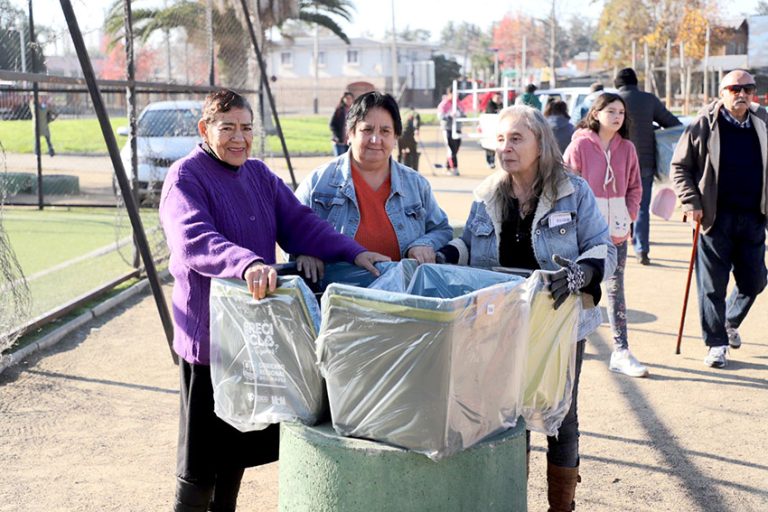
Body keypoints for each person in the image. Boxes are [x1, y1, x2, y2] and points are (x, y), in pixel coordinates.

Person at [159, 89, 389, 512]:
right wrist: (246, 264)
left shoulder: (259, 174)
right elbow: (193, 239)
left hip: (250, 335)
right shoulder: (185, 176)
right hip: (208, 341)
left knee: (234, 449)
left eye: (246, 128)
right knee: (199, 460)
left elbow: (301, 224)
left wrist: (352, 251)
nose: (238, 138)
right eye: (227, 128)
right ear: (205, 130)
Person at [437, 105, 616, 511]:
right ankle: (510, 499)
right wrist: (443, 254)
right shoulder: (486, 194)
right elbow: (468, 245)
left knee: (559, 413)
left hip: (558, 321)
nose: (506, 147)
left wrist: (579, 275)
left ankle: (560, 506)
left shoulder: (573, 191)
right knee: (504, 413)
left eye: (516, 138)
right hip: (499, 321)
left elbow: (602, 247)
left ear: (540, 144)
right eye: (500, 139)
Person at [294, 91, 452, 280]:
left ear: (395, 138)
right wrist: (303, 252)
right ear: (350, 133)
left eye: (385, 131)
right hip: (338, 300)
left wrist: (424, 244)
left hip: (403, 299)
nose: (376, 140)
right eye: (367, 130)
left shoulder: (416, 185)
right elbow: (291, 229)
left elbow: (442, 229)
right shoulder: (318, 184)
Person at [671, 69, 768, 369]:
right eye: (735, 88)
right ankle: (716, 344)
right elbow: (680, 167)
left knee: (755, 280)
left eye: (748, 89)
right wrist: (691, 202)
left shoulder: (762, 122)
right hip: (714, 217)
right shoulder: (703, 124)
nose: (742, 94)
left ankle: (729, 321)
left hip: (753, 216)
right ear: (722, 92)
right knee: (712, 285)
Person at [564, 92, 648, 378]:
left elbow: (635, 185)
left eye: (621, 112)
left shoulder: (628, 148)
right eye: (611, 110)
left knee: (615, 289)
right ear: (596, 113)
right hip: (583, 234)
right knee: (578, 288)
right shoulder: (579, 146)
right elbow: (567, 185)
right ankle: (569, 344)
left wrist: (630, 213)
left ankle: (621, 350)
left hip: (617, 232)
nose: (616, 116)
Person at [615, 67, 681, 265]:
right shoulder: (649, 99)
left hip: (616, 162)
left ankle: (619, 246)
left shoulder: (612, 101)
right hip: (644, 162)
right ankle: (642, 249)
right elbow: (673, 123)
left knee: (617, 204)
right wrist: (651, 128)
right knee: (641, 206)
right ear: (636, 82)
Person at [437, 88, 463, 175]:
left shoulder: (458, 103)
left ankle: (448, 166)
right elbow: (440, 116)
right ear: (449, 94)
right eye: (454, 94)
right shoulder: (444, 104)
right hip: (448, 129)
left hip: (458, 129)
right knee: (451, 149)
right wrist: (449, 115)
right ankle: (454, 168)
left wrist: (460, 113)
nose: (457, 96)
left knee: (456, 148)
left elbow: (464, 112)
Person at [329, 91, 354, 156]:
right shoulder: (339, 110)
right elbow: (332, 125)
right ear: (343, 99)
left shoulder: (355, 111)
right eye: (346, 98)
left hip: (350, 142)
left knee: (349, 161)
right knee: (339, 161)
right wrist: (337, 136)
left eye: (350, 98)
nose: (348, 100)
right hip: (339, 142)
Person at [397, 105, 421, 171]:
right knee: (414, 153)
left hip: (399, 135)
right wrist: (416, 129)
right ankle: (415, 170)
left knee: (399, 154)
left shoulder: (402, 112)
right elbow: (416, 121)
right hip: (408, 135)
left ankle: (397, 169)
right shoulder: (414, 113)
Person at [484, 91, 504, 168]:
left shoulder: (501, 105)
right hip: (489, 128)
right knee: (489, 145)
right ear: (493, 97)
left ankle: (495, 160)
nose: (499, 99)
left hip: (499, 128)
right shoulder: (490, 104)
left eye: (500, 98)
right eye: (497, 98)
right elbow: (492, 115)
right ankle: (490, 161)